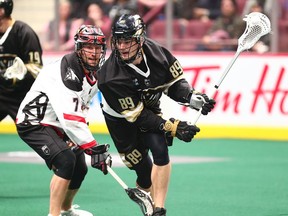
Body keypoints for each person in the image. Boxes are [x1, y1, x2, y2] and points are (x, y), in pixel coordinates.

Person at [97, 14, 215, 216]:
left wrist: (191, 96)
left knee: (160, 150)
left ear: (140, 39)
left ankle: (158, 210)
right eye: (118, 41)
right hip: (121, 121)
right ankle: (147, 197)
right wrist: (172, 126)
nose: (122, 47)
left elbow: (174, 84)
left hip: (148, 109)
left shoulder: (157, 53)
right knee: (143, 171)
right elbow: (138, 116)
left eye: (127, 41)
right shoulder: (109, 78)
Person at [16, 25, 112, 216]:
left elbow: (79, 109)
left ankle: (66, 210)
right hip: (34, 123)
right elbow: (70, 117)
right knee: (66, 160)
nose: (94, 53)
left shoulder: (95, 72)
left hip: (58, 124)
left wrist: (84, 144)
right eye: (88, 47)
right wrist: (93, 148)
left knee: (80, 167)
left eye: (98, 47)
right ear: (78, 48)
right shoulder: (65, 71)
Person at [0, 0, 43, 124]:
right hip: (1, 93)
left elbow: (37, 68)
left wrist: (15, 75)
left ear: (2, 11)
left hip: (24, 95)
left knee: (37, 134)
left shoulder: (24, 32)